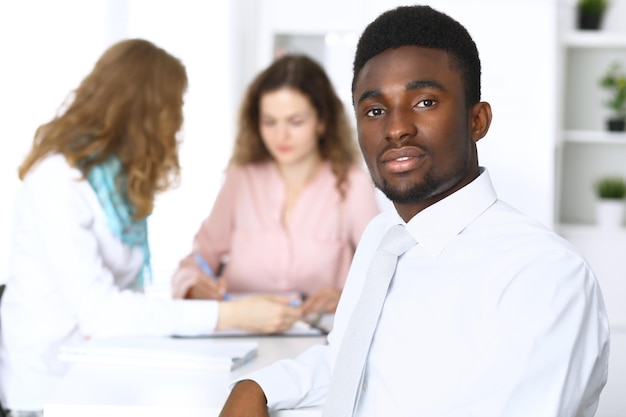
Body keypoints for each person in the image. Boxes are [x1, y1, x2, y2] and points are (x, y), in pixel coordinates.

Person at [218, 5, 610, 417]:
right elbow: (351, 364)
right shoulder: (383, 236)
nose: (395, 127)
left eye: (424, 101)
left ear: (477, 120)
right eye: (374, 110)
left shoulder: (541, 275)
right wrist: (257, 386)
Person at [0, 38, 302, 416]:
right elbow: (102, 313)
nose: (177, 124)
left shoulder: (118, 184)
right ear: (142, 112)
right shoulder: (56, 180)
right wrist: (232, 315)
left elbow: (128, 300)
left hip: (102, 371)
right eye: (172, 109)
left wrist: (193, 297)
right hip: (48, 389)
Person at [172, 54, 380, 315]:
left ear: (322, 121)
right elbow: (196, 262)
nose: (281, 135)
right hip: (240, 335)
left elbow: (382, 273)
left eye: (296, 122)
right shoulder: (241, 179)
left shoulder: (352, 184)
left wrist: (347, 297)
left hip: (319, 342)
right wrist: (194, 286)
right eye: (269, 122)